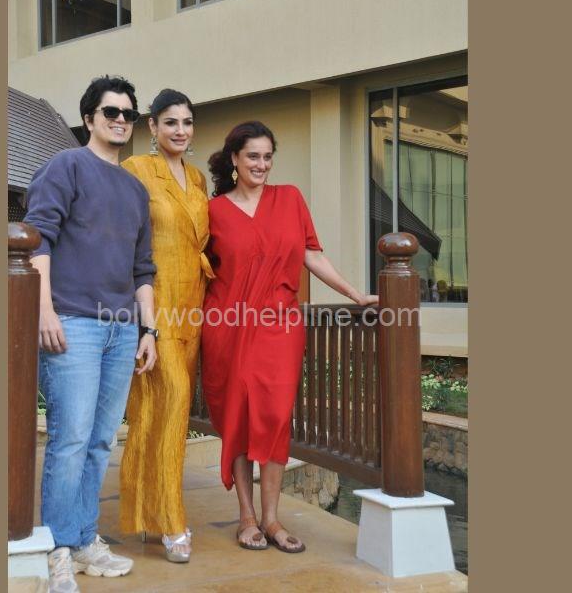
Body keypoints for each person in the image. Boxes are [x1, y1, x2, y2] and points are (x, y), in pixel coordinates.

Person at [201, 121, 378, 553]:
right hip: (228, 326)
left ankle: (272, 519)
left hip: (279, 327)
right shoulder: (213, 211)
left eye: (267, 156)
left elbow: (312, 255)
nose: (261, 164)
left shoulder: (290, 199)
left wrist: (355, 294)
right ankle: (247, 517)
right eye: (253, 156)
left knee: (276, 418)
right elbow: (197, 272)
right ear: (235, 159)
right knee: (239, 418)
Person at [23, 75, 158, 593]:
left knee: (100, 440)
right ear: (89, 118)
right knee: (71, 438)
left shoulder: (135, 189)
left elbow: (143, 268)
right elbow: (38, 239)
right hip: (73, 322)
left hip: (122, 330)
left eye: (127, 113)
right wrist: (44, 311)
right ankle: (57, 548)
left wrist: (148, 330)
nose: (120, 120)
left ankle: (82, 539)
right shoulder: (66, 166)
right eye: (110, 112)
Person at [118, 89, 212, 563]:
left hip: (193, 306)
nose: (180, 130)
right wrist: (141, 321)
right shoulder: (136, 169)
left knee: (163, 414)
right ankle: (172, 521)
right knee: (169, 400)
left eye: (187, 122)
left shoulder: (197, 178)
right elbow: (125, 238)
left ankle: (147, 511)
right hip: (153, 306)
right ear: (152, 127)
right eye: (170, 122)